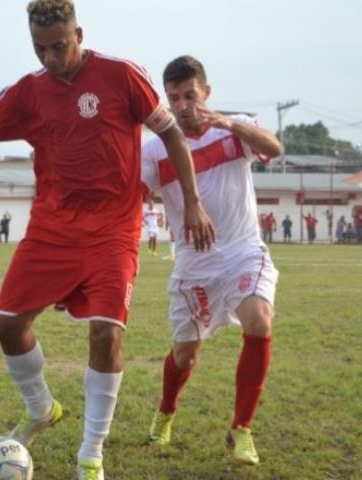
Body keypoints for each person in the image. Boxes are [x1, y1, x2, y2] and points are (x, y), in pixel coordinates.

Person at [0, 3, 214, 478]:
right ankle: (41, 407)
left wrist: (193, 202)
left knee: (105, 334)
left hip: (112, 229)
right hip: (53, 226)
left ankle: (90, 454)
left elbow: (171, 135)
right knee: (6, 325)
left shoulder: (122, 76)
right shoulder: (28, 93)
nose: (50, 58)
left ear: (78, 34)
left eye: (59, 46)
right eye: (40, 49)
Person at [141, 55, 283, 466]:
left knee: (260, 320)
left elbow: (275, 147)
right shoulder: (156, 149)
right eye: (173, 99)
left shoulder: (234, 127)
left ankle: (242, 429)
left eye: (189, 95)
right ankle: (166, 410)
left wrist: (228, 123)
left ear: (206, 92)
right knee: (186, 354)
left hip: (242, 250)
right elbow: (132, 196)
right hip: (194, 264)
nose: (183, 106)